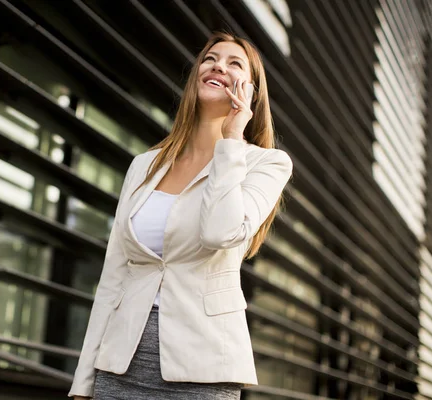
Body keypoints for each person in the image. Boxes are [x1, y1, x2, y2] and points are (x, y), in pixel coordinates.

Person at [69, 30, 294, 399]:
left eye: (234, 63)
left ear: (252, 91)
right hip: (120, 363)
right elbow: (114, 276)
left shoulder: (265, 163)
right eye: (210, 59)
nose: (218, 65)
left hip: (203, 369)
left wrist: (232, 140)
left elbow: (219, 234)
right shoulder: (144, 165)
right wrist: (84, 382)